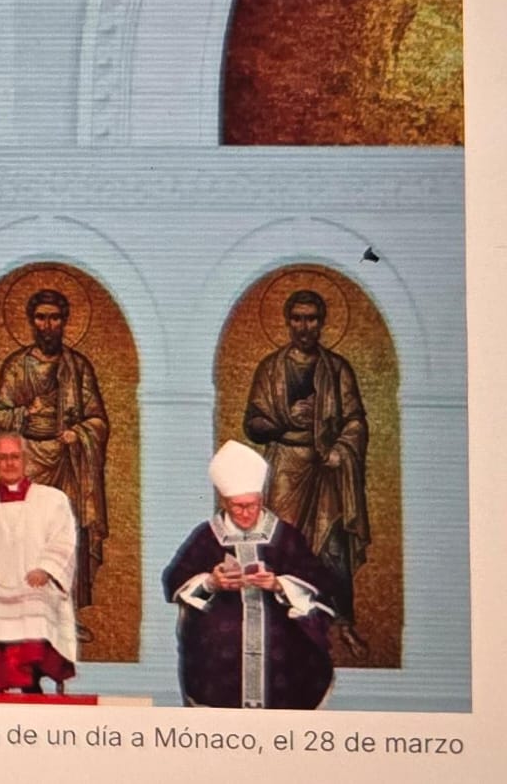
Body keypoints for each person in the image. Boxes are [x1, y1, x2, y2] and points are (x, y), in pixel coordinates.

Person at [163, 440, 337, 709]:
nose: (245, 513)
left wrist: (279, 584)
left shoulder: (285, 536)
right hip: (219, 660)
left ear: (261, 500)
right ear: (224, 502)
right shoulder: (207, 536)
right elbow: (174, 580)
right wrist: (211, 582)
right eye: (237, 506)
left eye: (252, 505)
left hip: (282, 655)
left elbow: (319, 580)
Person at [243, 288, 370, 656]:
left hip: (327, 468)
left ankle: (342, 622)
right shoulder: (271, 368)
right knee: (283, 544)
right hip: (286, 466)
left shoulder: (337, 369)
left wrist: (341, 449)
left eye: (311, 319)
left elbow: (356, 420)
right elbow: (253, 424)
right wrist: (286, 422)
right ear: (288, 321)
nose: (304, 326)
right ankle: (280, 622)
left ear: (321, 322)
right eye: (297, 318)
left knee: (334, 549)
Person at [0, 288, 109, 635]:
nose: (47, 324)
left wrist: (78, 433)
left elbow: (98, 420)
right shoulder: (17, 366)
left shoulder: (78, 367)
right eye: (41, 317)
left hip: (68, 462)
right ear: (32, 321)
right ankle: (25, 610)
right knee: (26, 535)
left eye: (54, 317)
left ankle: (65, 614)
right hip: (28, 462)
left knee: (67, 536)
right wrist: (26, 412)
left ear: (64, 321)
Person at [0, 433, 78, 694]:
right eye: (2, 457)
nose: (9, 463)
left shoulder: (52, 499)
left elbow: (63, 540)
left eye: (15, 456)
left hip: (33, 581)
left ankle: (31, 681)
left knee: (36, 601)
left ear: (26, 459)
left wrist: (46, 569)